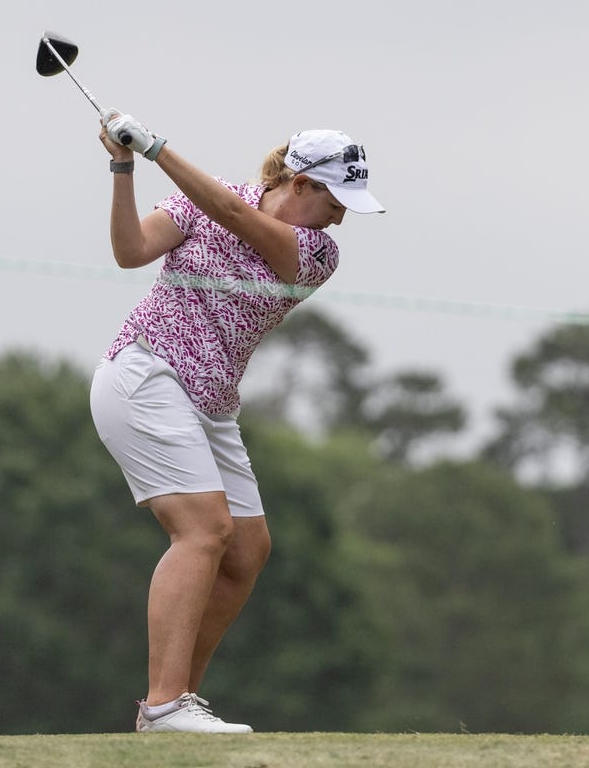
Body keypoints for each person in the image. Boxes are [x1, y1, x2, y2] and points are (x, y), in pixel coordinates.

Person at [89, 110, 384, 734]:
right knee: (203, 530)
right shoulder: (204, 200)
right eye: (335, 200)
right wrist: (123, 167)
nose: (340, 217)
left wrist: (152, 146)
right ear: (300, 183)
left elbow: (235, 216)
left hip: (212, 402)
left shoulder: (315, 253)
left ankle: (173, 706)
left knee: (247, 549)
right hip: (147, 375)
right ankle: (167, 704)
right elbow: (130, 252)